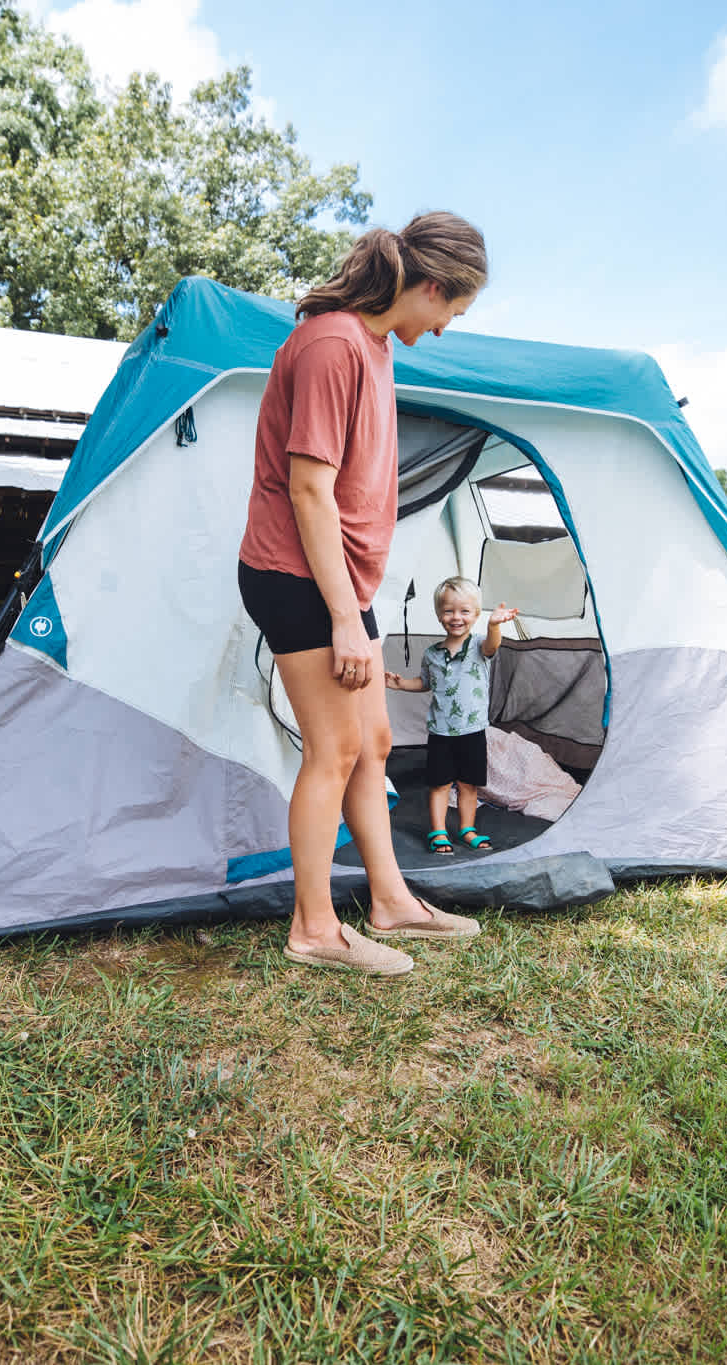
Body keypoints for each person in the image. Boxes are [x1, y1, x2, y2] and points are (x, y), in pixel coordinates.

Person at [236, 211, 489, 976]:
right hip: (297, 573)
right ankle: (314, 928)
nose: (445, 328)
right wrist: (345, 618)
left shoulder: (374, 347)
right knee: (336, 748)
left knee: (374, 741)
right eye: (452, 311)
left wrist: (352, 604)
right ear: (433, 285)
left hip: (341, 580)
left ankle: (390, 899)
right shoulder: (332, 343)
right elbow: (309, 490)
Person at [384, 577, 517, 854]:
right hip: (441, 732)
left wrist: (494, 626)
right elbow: (425, 683)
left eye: (464, 611)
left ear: (476, 615)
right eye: (448, 611)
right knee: (440, 784)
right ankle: (439, 832)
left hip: (472, 731)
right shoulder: (432, 654)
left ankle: (468, 829)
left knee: (469, 785)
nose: (456, 617)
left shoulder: (480, 646)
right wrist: (400, 684)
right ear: (439, 615)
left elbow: (493, 646)